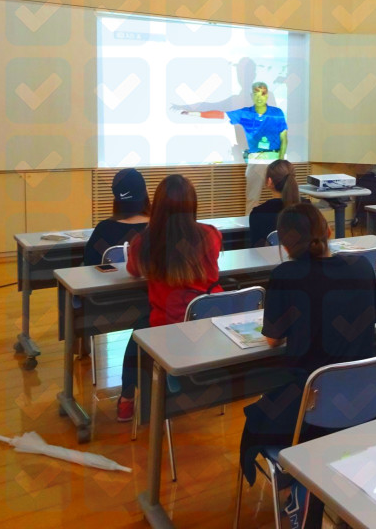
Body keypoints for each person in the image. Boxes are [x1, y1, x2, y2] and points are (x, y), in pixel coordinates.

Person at [238, 203, 376, 525]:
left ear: (284, 245)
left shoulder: (285, 275)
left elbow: (273, 339)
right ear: (329, 232)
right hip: (366, 404)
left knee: (257, 419)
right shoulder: (362, 268)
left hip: (310, 407)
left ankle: (296, 483)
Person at [116, 175, 223, 422]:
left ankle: (126, 400)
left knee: (138, 332)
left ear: (157, 205)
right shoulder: (211, 235)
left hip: (166, 331)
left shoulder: (143, 242)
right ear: (192, 204)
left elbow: (133, 270)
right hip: (209, 328)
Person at [178, 80, 288, 210]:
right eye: (256, 93)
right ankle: (251, 227)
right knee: (252, 198)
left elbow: (284, 138)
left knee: (281, 198)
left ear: (267, 95)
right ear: (252, 96)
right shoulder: (245, 113)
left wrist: (280, 161)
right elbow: (220, 114)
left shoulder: (277, 113)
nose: (259, 97)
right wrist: (194, 113)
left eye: (263, 93)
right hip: (256, 161)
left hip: (275, 160)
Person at [82, 168, 150, 266]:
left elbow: (89, 265)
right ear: (145, 193)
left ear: (116, 198)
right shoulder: (159, 227)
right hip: (149, 281)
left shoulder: (104, 229)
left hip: (111, 281)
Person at [249, 159, 300, 247]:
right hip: (303, 259)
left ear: (269, 181)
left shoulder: (258, 213)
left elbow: (256, 249)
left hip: (269, 260)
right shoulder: (308, 207)